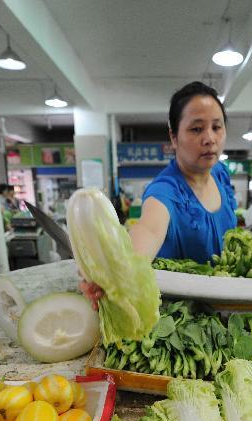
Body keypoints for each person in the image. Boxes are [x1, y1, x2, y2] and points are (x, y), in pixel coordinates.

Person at [81, 81, 237, 307]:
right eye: (196, 128)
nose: (209, 138)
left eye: (217, 127)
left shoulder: (220, 173)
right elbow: (148, 230)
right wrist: (114, 274)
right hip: (183, 319)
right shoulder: (164, 191)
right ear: (174, 137)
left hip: (227, 304)